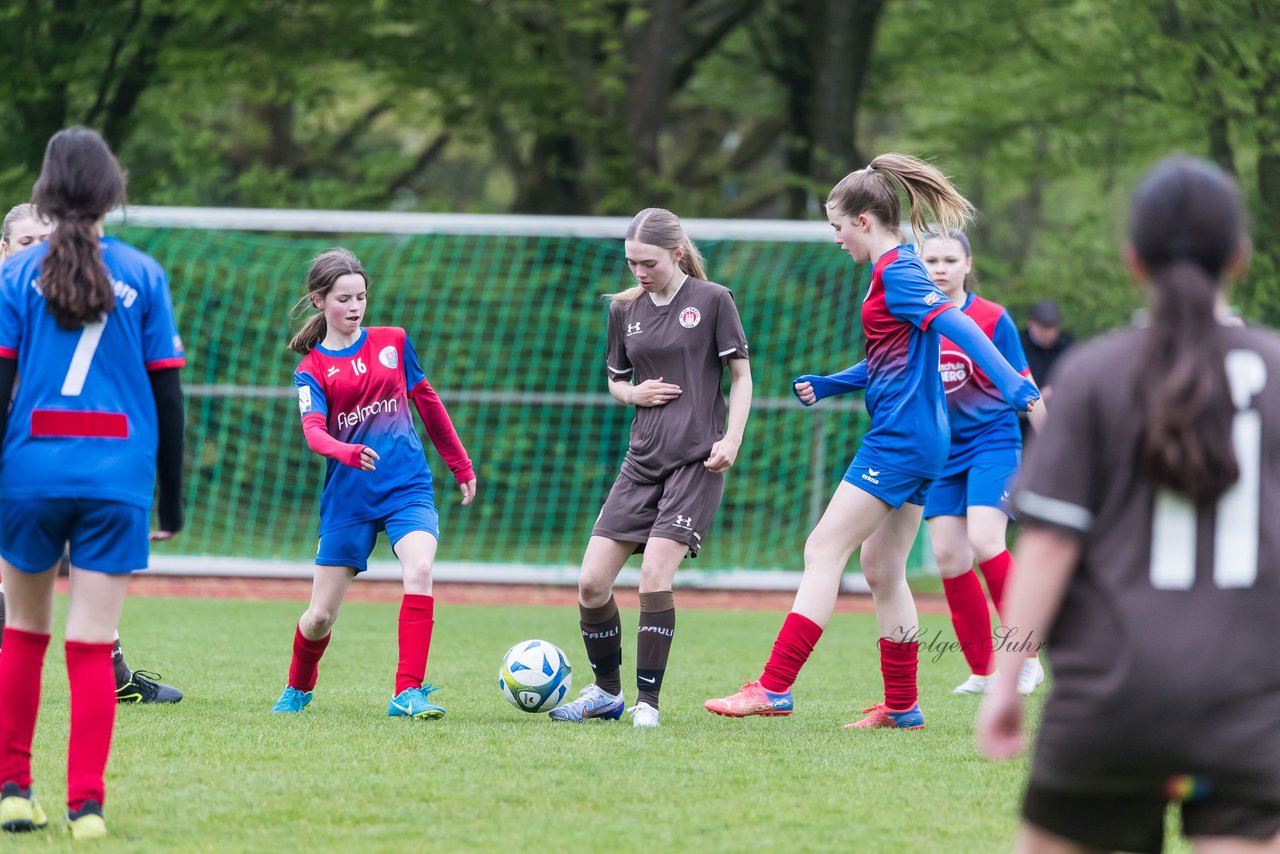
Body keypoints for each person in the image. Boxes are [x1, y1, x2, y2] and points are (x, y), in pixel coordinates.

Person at [978, 157, 1280, 852]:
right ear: (1239, 257)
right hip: (1246, 707)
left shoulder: (1094, 374)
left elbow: (1048, 547)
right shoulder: (1273, 369)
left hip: (1112, 707)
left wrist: (1006, 678)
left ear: (1132, 260)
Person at [704, 153, 1038, 729]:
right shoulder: (897, 271)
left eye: (837, 226)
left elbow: (958, 325)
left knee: (821, 551)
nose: (835, 239)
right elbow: (891, 359)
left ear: (863, 220)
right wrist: (833, 383)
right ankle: (903, 705)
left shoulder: (899, 274)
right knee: (882, 566)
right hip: (924, 440)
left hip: (900, 441)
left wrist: (1014, 385)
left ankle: (774, 688)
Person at [0, 127, 186, 840]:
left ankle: (15, 792)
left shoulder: (16, 275)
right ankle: (87, 808)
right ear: (113, 187)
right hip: (117, 477)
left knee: (23, 633)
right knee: (92, 642)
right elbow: (168, 396)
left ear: (46, 193)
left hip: (31, 470)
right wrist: (170, 500)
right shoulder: (144, 272)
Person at [548, 208, 751, 729]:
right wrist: (631, 393)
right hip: (641, 462)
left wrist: (732, 439)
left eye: (648, 263)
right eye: (631, 262)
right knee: (592, 583)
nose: (638, 272)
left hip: (696, 460)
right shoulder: (623, 309)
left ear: (677, 254)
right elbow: (615, 380)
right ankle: (606, 693)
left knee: (655, 575)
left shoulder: (713, 300)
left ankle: (647, 703)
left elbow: (742, 376)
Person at [271, 248, 477, 720]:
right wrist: (346, 451)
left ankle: (408, 692)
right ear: (320, 301)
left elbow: (428, 403)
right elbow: (314, 433)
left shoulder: (394, 342)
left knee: (420, 570)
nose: (355, 306)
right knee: (320, 615)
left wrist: (460, 465)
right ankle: (298, 687)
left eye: (361, 296)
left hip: (407, 487)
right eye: (344, 298)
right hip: (349, 498)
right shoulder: (311, 370)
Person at [0, 203, 182, 706]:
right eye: (27, 243)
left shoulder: (61, 295)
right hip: (24, 459)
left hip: (53, 459)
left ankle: (115, 674)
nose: (40, 251)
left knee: (82, 571)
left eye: (46, 240)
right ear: (4, 249)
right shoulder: (16, 296)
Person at [919, 233, 1045, 696]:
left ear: (968, 264)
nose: (939, 267)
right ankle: (983, 671)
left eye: (950, 259)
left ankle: (1026, 657)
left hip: (994, 444)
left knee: (985, 539)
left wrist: (1054, 454)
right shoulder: (915, 318)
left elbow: (1026, 390)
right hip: (941, 452)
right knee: (950, 558)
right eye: (930, 259)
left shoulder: (993, 318)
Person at [1020, 299, 1073, 400]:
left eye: (1052, 327)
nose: (1048, 333)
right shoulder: (1019, 345)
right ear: (1031, 323)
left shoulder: (1067, 346)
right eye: (1043, 327)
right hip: (1025, 407)